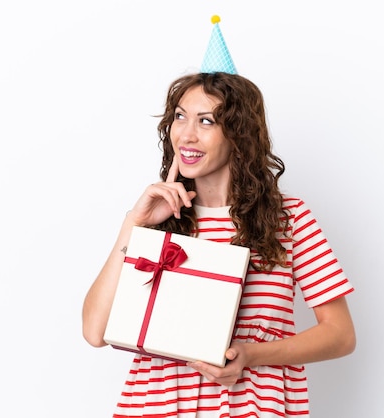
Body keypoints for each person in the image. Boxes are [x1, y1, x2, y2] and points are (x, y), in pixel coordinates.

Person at [81, 70, 356, 417]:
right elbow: (94, 331)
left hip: (252, 406)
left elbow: (340, 334)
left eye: (207, 121)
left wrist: (250, 355)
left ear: (239, 135)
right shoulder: (155, 215)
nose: (187, 135)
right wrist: (134, 225)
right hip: (155, 406)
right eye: (180, 117)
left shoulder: (288, 218)